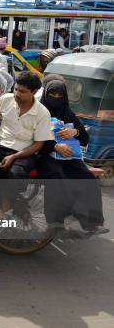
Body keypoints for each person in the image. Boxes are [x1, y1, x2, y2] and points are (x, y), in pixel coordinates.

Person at [36, 80, 108, 234]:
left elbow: (85, 138)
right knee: (58, 177)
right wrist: (54, 145)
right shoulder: (39, 112)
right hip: (44, 155)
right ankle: (55, 223)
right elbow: (33, 138)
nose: (56, 98)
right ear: (45, 94)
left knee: (87, 178)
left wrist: (74, 132)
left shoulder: (68, 113)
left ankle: (92, 223)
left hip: (68, 156)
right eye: (52, 94)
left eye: (59, 95)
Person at [0, 71, 53, 219]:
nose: (17, 94)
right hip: (1, 146)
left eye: (22, 91)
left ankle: (7, 205)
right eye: (16, 89)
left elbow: (38, 145)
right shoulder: (6, 99)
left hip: (25, 152)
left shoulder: (42, 113)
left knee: (15, 174)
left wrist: (13, 157)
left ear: (34, 92)